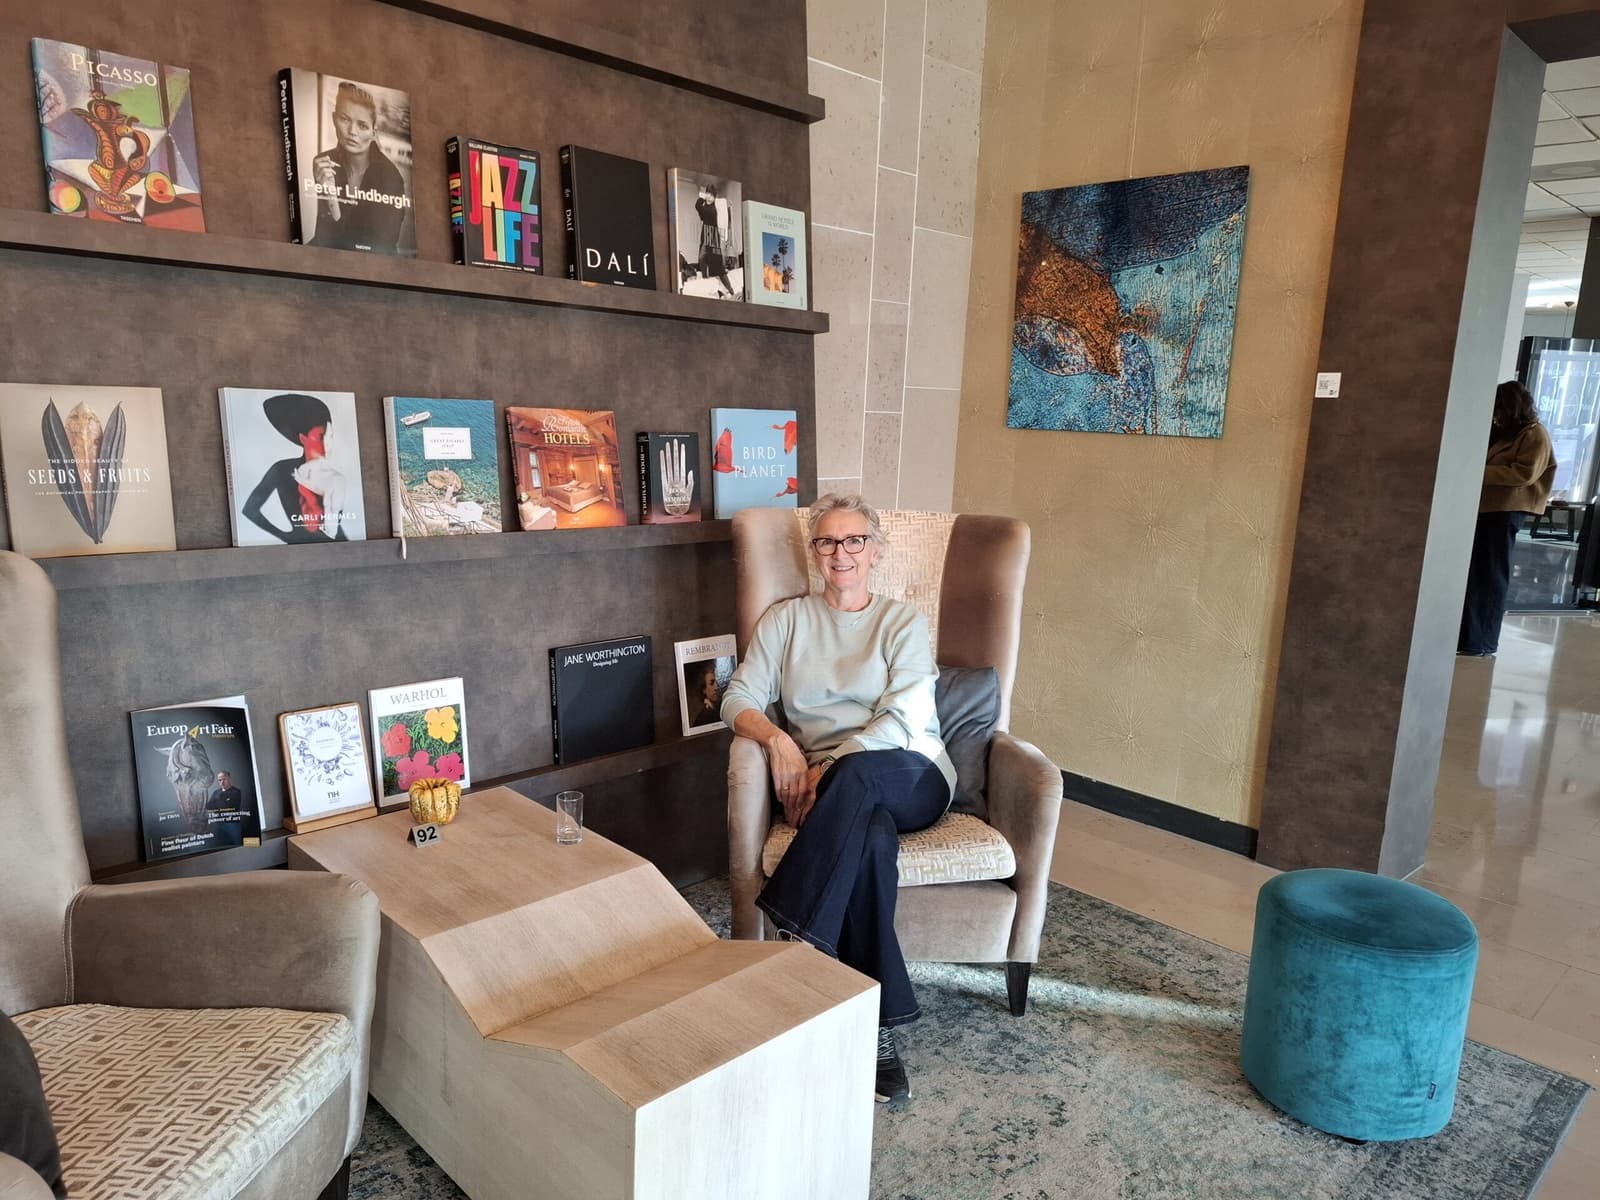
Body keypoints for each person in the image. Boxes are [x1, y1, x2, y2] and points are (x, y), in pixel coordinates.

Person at [721, 494, 953, 1106]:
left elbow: (904, 717)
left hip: (911, 770)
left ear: (876, 552)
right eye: (827, 541)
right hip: (837, 792)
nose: (841, 553)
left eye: (855, 541)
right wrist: (777, 740)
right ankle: (878, 1028)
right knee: (869, 841)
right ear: (815, 552)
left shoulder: (902, 622)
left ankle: (795, 942)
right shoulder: (786, 621)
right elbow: (737, 697)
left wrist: (830, 766)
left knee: (858, 780)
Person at [1458, 380, 1556, 657]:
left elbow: (1524, 474)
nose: (1495, 415)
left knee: (1491, 576)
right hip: (1487, 509)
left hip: (1505, 511)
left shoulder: (1534, 434)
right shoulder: (1505, 433)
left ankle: (1482, 641)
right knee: (1477, 574)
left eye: (1499, 408)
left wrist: (1477, 471)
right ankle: (1469, 638)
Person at [240, 392, 353, 544]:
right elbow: (250, 509)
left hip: (340, 547)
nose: (326, 444)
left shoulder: (334, 476)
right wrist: (284, 536)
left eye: (329, 436)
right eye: (321, 437)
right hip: (303, 550)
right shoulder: (281, 470)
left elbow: (333, 524)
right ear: (303, 438)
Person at [309, 81, 407, 254]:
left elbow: (381, 245)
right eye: (344, 119)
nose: (352, 131)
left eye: (362, 125)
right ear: (334, 119)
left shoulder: (390, 176)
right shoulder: (323, 163)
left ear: (373, 132)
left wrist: (332, 200)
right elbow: (324, 236)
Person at [694, 183, 737, 299]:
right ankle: (707, 284)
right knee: (702, 260)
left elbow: (698, 206)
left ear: (714, 197)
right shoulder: (707, 207)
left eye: (711, 195)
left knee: (718, 267)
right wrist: (704, 198)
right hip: (706, 236)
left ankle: (731, 291)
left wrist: (702, 196)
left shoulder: (713, 210)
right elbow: (699, 210)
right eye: (707, 194)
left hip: (713, 238)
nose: (709, 197)